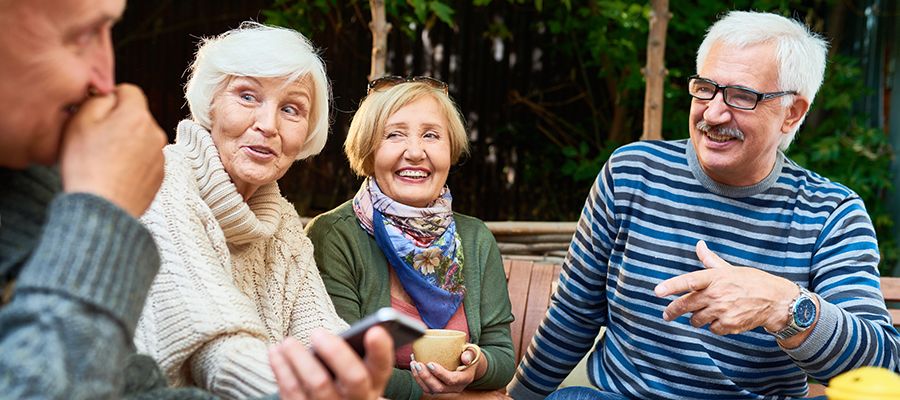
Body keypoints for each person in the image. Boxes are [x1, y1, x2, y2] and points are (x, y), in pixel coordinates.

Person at [507, 10, 900, 400]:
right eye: (705, 89)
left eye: (742, 96)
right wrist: (516, 398)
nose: (713, 113)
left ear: (792, 112)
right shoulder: (633, 172)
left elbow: (882, 366)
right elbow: (574, 315)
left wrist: (783, 305)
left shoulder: (831, 213)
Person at [133, 22, 392, 399]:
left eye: (291, 109)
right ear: (211, 103)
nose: (268, 125)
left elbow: (317, 330)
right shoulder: (162, 182)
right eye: (248, 96)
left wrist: (350, 373)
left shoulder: (281, 222)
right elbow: (217, 350)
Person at [305, 76, 516, 399]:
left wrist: (477, 365)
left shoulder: (475, 238)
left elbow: (501, 355)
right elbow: (344, 361)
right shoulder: (334, 235)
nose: (415, 152)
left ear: (451, 150)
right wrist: (439, 396)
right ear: (369, 149)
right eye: (394, 135)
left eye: (431, 135)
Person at [0, 0, 169, 398]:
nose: (106, 80)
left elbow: (127, 388)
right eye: (84, 35)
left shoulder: (27, 183)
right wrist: (100, 219)